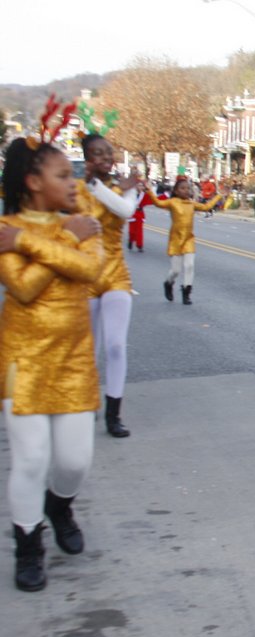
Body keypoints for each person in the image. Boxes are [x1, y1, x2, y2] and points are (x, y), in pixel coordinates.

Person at [0, 136, 104, 592]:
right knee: (30, 458)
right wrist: (56, 240)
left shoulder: (84, 223)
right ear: (33, 181)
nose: (73, 181)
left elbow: (91, 272)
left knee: (74, 461)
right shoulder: (6, 226)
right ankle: (28, 544)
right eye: (63, 174)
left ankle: (58, 506)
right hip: (23, 360)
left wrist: (35, 243)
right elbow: (22, 288)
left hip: (74, 360)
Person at [76, 134, 141, 438]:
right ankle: (86, 400)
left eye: (109, 153)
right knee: (90, 348)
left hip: (116, 274)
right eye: (97, 154)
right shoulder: (74, 190)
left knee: (115, 345)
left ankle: (113, 414)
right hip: (85, 276)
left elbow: (125, 211)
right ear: (86, 158)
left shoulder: (125, 189)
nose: (105, 158)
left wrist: (98, 186)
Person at [147, 176, 224, 305]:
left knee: (189, 266)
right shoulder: (172, 202)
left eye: (188, 188)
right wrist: (148, 190)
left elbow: (206, 207)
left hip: (189, 239)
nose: (186, 191)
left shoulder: (192, 204)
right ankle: (168, 283)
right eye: (182, 188)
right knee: (176, 270)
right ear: (176, 191)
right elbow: (157, 203)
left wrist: (219, 196)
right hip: (176, 240)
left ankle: (186, 291)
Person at [128, 188, 153, 252]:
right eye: (138, 185)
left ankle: (139, 245)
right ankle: (130, 241)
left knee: (139, 231)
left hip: (140, 214)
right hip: (132, 213)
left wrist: (165, 195)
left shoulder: (144, 195)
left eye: (141, 185)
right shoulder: (130, 194)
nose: (139, 187)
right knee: (132, 231)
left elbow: (153, 199)